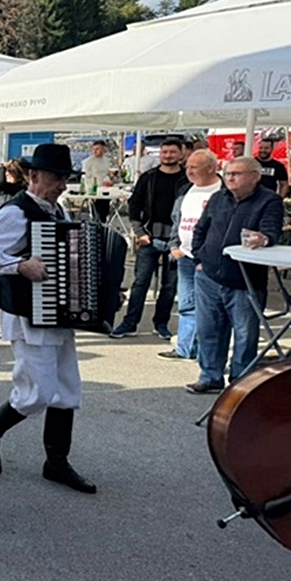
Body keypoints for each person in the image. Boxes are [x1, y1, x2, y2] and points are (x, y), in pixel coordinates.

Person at [0, 143, 97, 495]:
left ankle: (56, 462)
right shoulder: (16, 213)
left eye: (66, 178)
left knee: (67, 390)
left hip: (57, 312)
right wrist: (18, 265)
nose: (63, 185)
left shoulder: (57, 210)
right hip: (27, 313)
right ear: (34, 177)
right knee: (37, 393)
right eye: (57, 178)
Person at [185, 157, 284, 394]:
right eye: (228, 173)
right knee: (209, 330)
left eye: (236, 174)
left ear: (255, 176)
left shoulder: (269, 201)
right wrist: (199, 258)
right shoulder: (219, 197)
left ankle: (240, 384)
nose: (229, 178)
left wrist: (264, 238)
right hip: (209, 275)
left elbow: (272, 231)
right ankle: (210, 376)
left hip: (244, 279)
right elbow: (201, 228)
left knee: (244, 334)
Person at [110, 138, 188, 340]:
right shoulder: (149, 177)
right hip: (149, 238)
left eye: (172, 152)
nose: (168, 155)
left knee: (169, 286)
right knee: (140, 282)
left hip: (176, 240)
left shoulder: (187, 180)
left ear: (181, 154)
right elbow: (134, 205)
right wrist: (139, 232)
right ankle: (129, 323)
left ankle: (160, 324)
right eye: (164, 152)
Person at [159, 150, 223, 362]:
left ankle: (205, 352)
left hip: (210, 259)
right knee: (186, 304)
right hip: (185, 255)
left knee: (209, 308)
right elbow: (177, 219)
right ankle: (185, 348)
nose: (189, 171)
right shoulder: (186, 190)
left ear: (211, 168)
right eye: (188, 167)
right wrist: (174, 245)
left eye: (194, 167)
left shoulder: (224, 192)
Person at [81, 141, 113, 222]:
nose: (95, 151)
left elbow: (106, 174)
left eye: (97, 149)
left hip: (105, 190)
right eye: (93, 149)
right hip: (94, 190)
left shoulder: (106, 161)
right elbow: (85, 178)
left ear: (103, 150)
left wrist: (108, 181)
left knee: (104, 213)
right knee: (96, 215)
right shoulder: (88, 162)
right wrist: (90, 194)